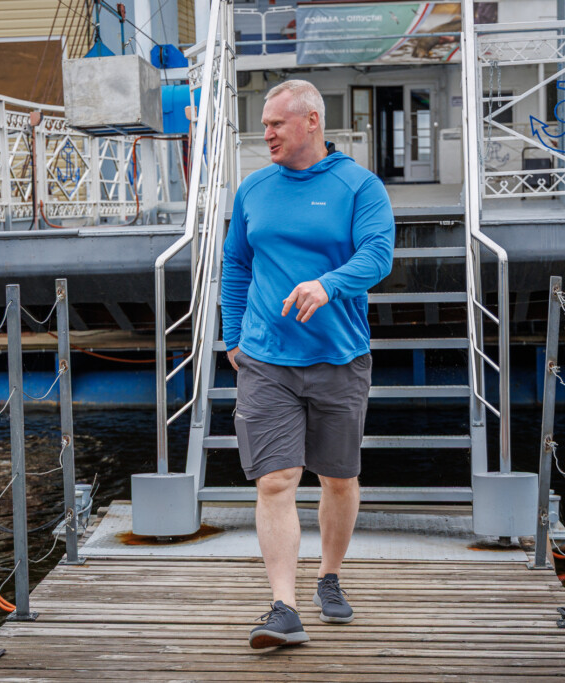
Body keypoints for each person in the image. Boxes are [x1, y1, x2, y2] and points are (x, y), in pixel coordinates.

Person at [221, 79, 395, 649]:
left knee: (338, 478)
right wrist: (232, 336)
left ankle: (329, 576)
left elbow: (378, 256)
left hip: (339, 357)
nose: (266, 134)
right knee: (275, 480)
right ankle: (283, 607)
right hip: (266, 359)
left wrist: (328, 284)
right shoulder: (253, 189)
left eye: (276, 123)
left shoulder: (358, 186)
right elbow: (235, 265)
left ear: (312, 121)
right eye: (264, 125)